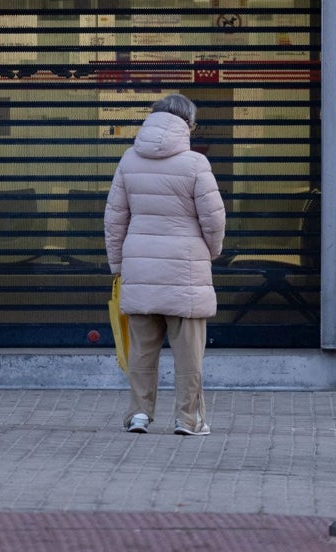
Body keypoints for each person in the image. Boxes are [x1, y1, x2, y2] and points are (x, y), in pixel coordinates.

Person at [104, 93, 225, 436]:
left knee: (142, 350)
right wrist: (211, 252)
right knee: (189, 355)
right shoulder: (195, 164)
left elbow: (114, 220)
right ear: (189, 124)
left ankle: (139, 415)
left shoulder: (129, 160)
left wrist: (118, 265)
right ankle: (188, 420)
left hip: (140, 268)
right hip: (186, 269)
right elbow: (213, 219)